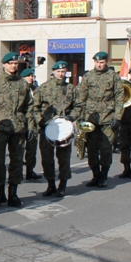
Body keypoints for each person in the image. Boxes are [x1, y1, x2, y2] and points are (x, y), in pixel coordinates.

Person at [0, 52, 32, 208]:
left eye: (15, 63)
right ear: (4, 64)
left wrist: (31, 126)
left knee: (16, 162)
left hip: (18, 128)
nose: (13, 65)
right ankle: (0, 193)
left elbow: (29, 107)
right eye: (10, 63)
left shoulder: (23, 83)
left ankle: (13, 194)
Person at [73, 51, 123, 188]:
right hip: (91, 118)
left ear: (107, 62)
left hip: (108, 118)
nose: (99, 65)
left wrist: (118, 117)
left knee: (106, 149)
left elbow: (119, 98)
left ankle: (104, 176)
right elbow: (81, 98)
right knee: (92, 148)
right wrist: (79, 117)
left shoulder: (113, 76)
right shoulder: (88, 76)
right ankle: (95, 175)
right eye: (97, 62)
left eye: (102, 62)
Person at [31, 61, 75, 197]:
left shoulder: (71, 88)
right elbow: (35, 107)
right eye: (58, 72)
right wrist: (40, 120)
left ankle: (62, 185)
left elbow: (78, 106)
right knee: (47, 158)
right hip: (47, 127)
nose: (61, 74)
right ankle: (51, 184)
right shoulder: (43, 88)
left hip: (64, 128)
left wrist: (72, 116)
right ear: (53, 72)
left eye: (63, 72)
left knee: (64, 158)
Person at [21, 67, 42, 181]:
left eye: (32, 76)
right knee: (19, 149)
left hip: (33, 123)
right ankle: (18, 171)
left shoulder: (36, 90)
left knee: (32, 148)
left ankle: (30, 170)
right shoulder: (19, 88)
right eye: (28, 76)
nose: (31, 78)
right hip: (21, 122)